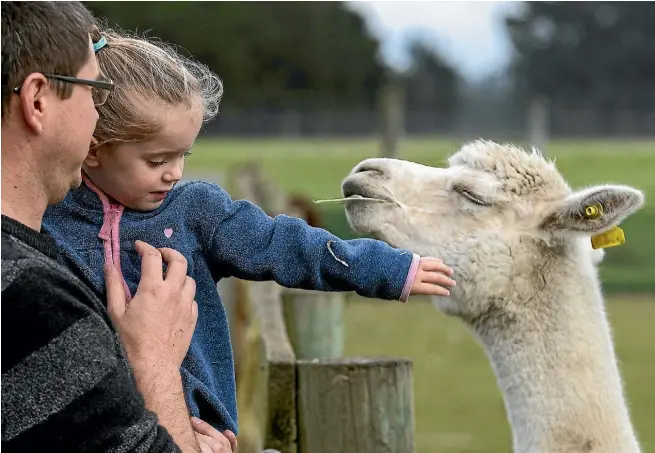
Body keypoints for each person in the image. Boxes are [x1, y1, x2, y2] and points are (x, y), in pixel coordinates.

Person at [42, 26, 457, 437]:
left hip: (202, 432)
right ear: (94, 150)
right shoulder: (49, 221)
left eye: (183, 155)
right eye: (156, 160)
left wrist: (387, 268)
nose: (175, 173)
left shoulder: (196, 211)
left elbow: (287, 245)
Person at [1, 2, 232, 452]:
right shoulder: (29, 299)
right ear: (37, 101)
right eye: (94, 91)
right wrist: (154, 362)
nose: (98, 118)